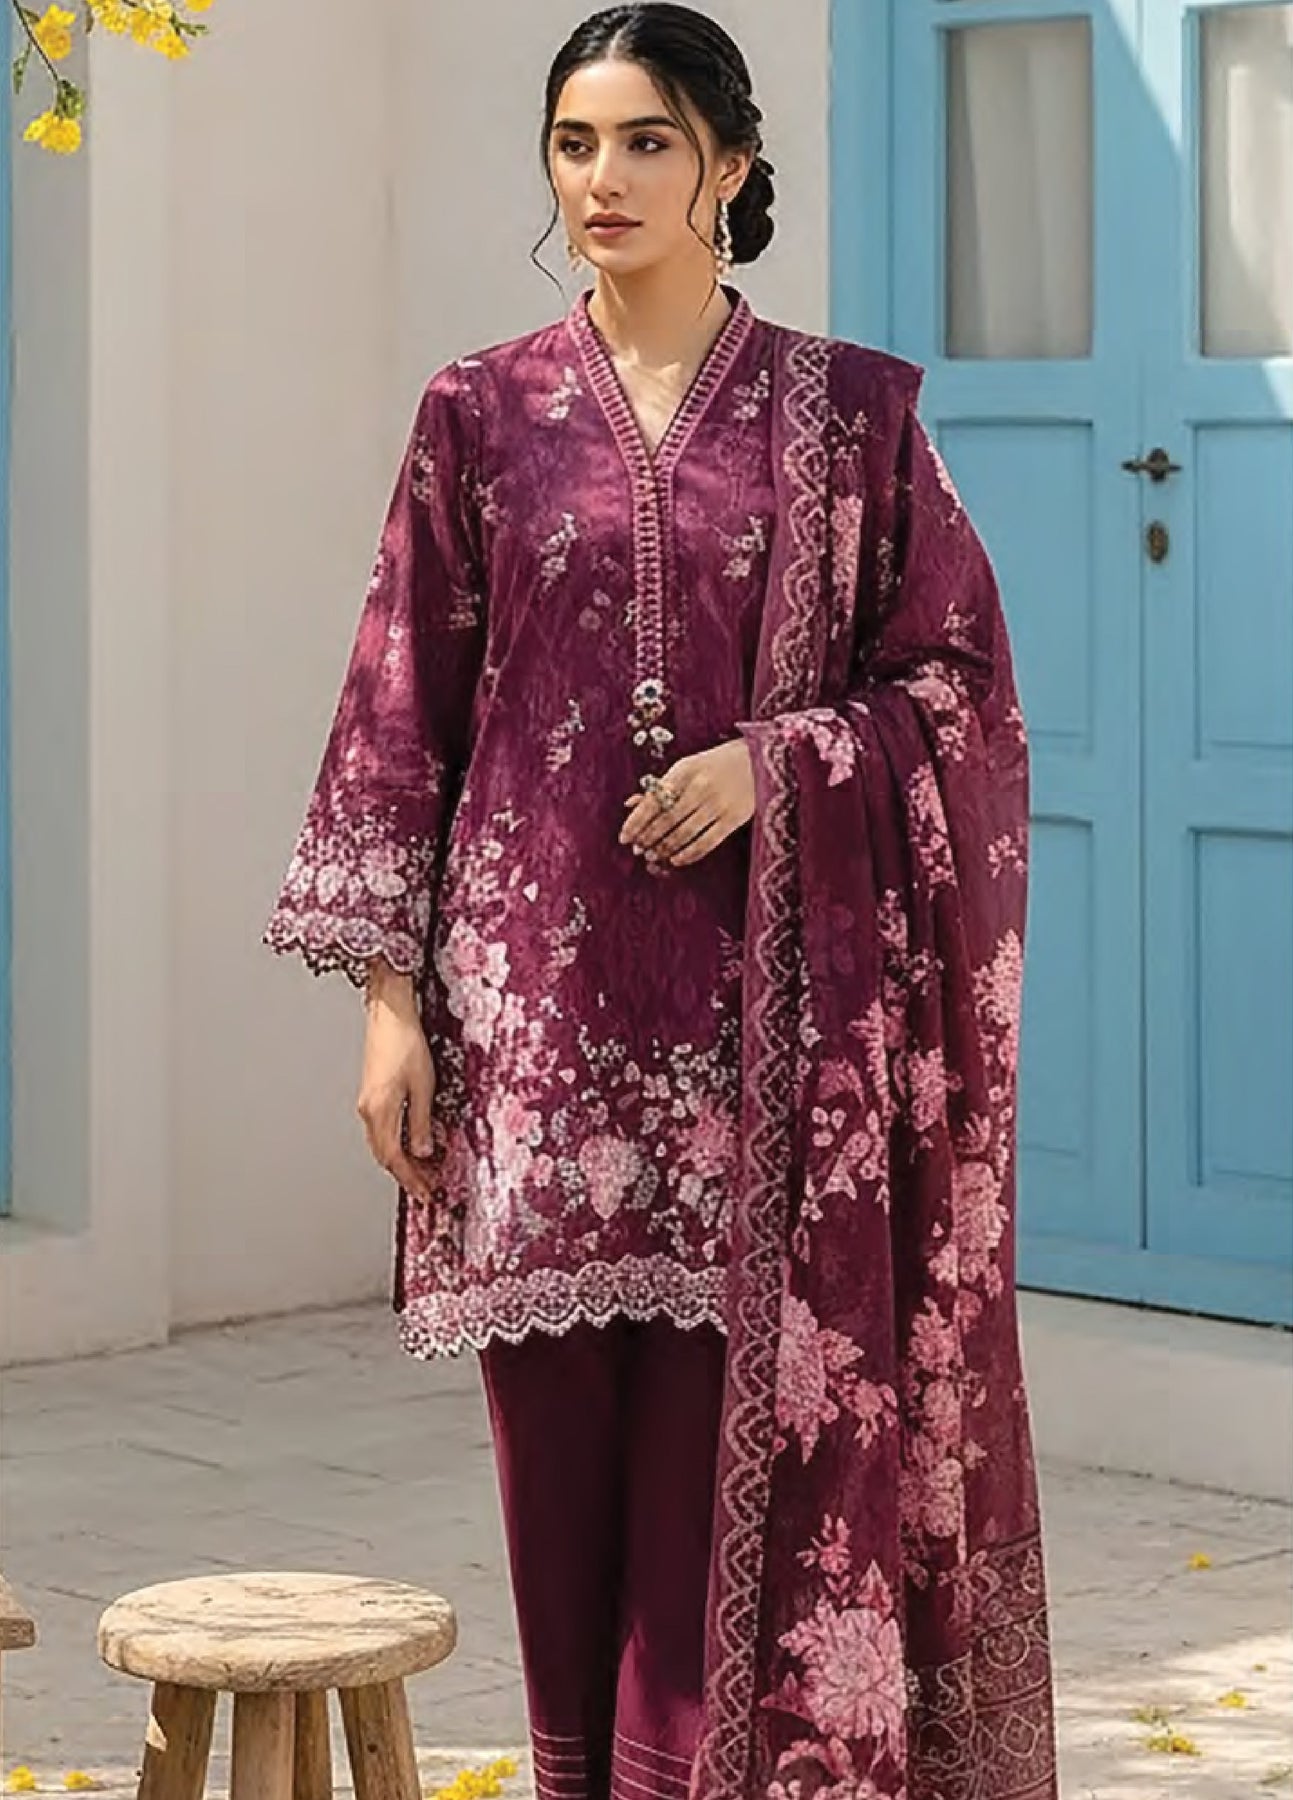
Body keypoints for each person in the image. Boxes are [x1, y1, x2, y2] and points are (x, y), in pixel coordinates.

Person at [264, 6, 1059, 1797]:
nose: (601, 178)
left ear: (729, 165)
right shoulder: (478, 413)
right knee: (553, 1483)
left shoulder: (851, 417)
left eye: (642, 142)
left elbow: (958, 690)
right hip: (528, 1034)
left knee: (719, 1491)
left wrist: (780, 763)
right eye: (573, 143)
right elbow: (401, 715)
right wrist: (388, 1011)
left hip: (761, 1046)